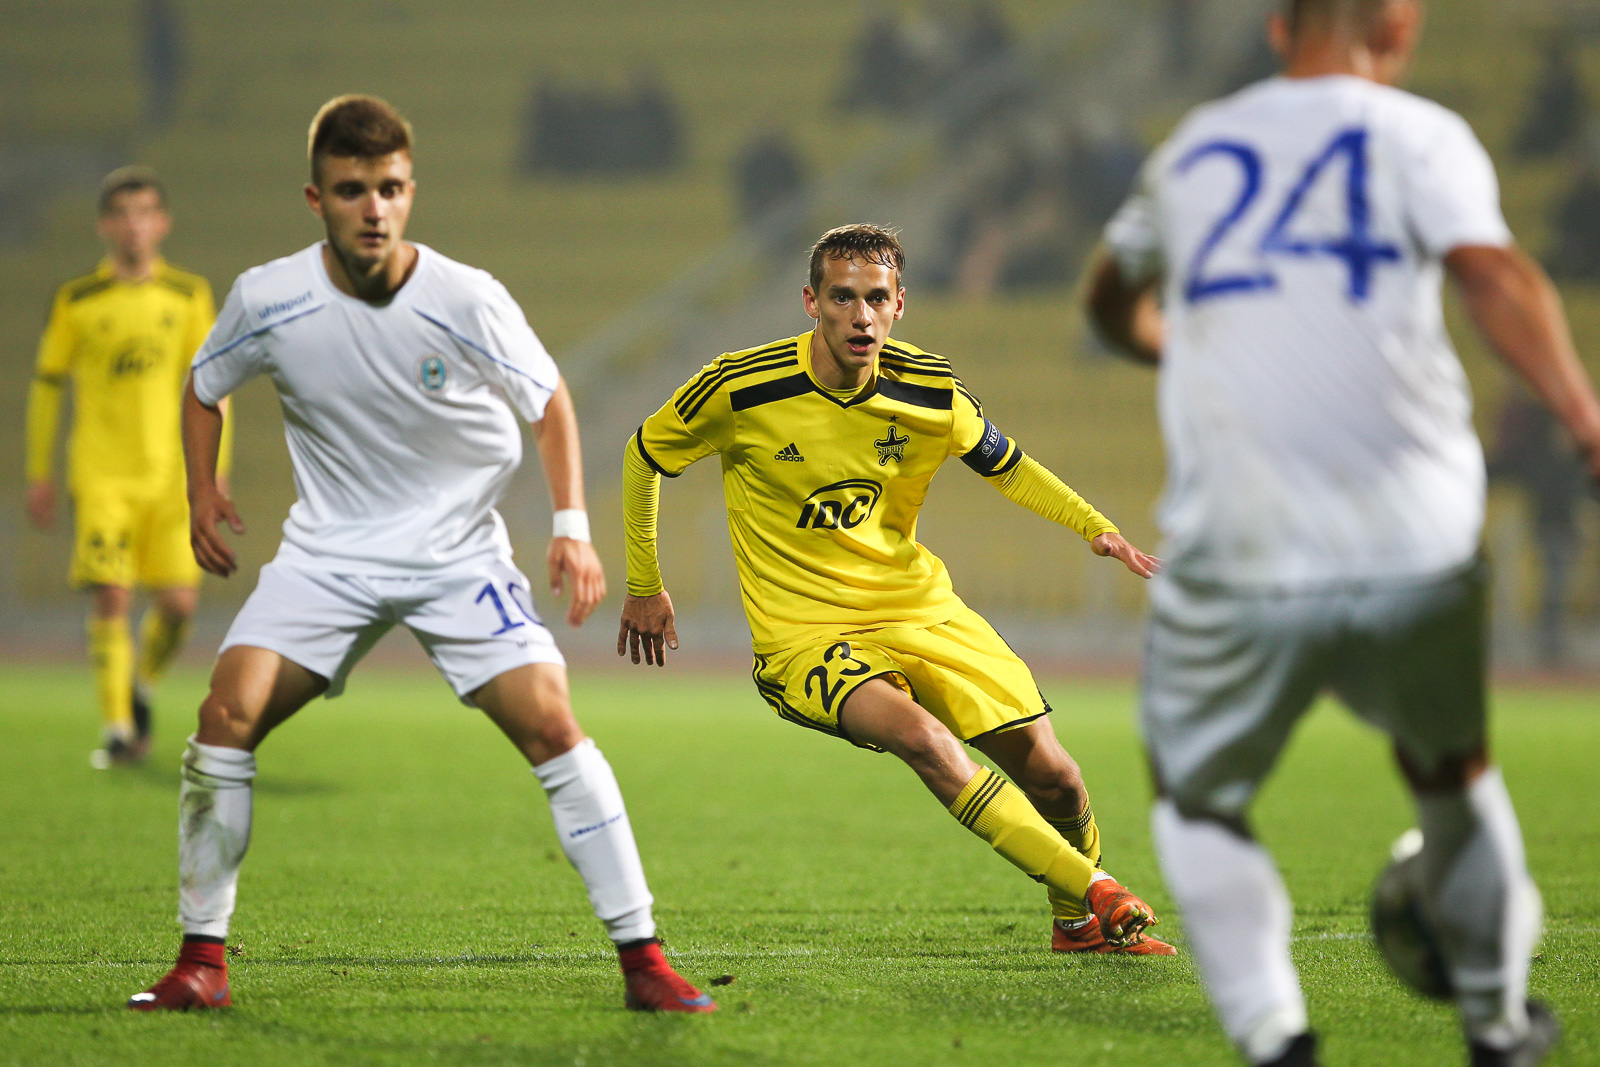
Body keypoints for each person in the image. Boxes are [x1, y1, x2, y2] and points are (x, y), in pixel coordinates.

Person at [1085, 1, 1600, 1064]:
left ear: (1279, 27)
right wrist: (1585, 416)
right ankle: (1498, 1020)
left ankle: (1275, 1036)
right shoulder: (1421, 134)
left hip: (1241, 536)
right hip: (1415, 532)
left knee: (1196, 799)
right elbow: (1493, 275)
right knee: (1452, 772)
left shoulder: (1193, 151)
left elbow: (1106, 299)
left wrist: (1173, 341)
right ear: (1399, 30)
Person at [127, 95, 714, 1015]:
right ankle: (201, 961)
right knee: (224, 714)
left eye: (390, 188)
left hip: (456, 556)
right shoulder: (269, 297)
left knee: (553, 724)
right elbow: (204, 387)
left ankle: (645, 960)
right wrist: (202, 490)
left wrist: (571, 523)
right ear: (315, 198)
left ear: (411, 191)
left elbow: (549, 401)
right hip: (329, 556)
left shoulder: (465, 297)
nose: (374, 208)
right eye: (351, 189)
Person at [619, 223, 1175, 956]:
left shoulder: (931, 388)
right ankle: (1098, 889)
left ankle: (1076, 924)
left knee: (1059, 779)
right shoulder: (741, 386)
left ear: (900, 304)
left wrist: (1094, 527)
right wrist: (645, 584)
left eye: (876, 298)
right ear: (811, 302)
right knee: (924, 739)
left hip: (919, 609)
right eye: (842, 297)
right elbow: (645, 453)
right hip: (806, 635)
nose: (861, 316)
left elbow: (1007, 464)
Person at [25, 166, 226, 767]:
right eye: (122, 214)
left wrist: (212, 471)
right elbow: (47, 386)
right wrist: (39, 473)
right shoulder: (78, 300)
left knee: (180, 606)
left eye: (144, 213)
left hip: (171, 477)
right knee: (111, 596)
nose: (133, 225)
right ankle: (116, 728)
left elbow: (213, 386)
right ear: (104, 226)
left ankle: (141, 687)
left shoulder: (188, 295)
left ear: (162, 223)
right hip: (102, 476)